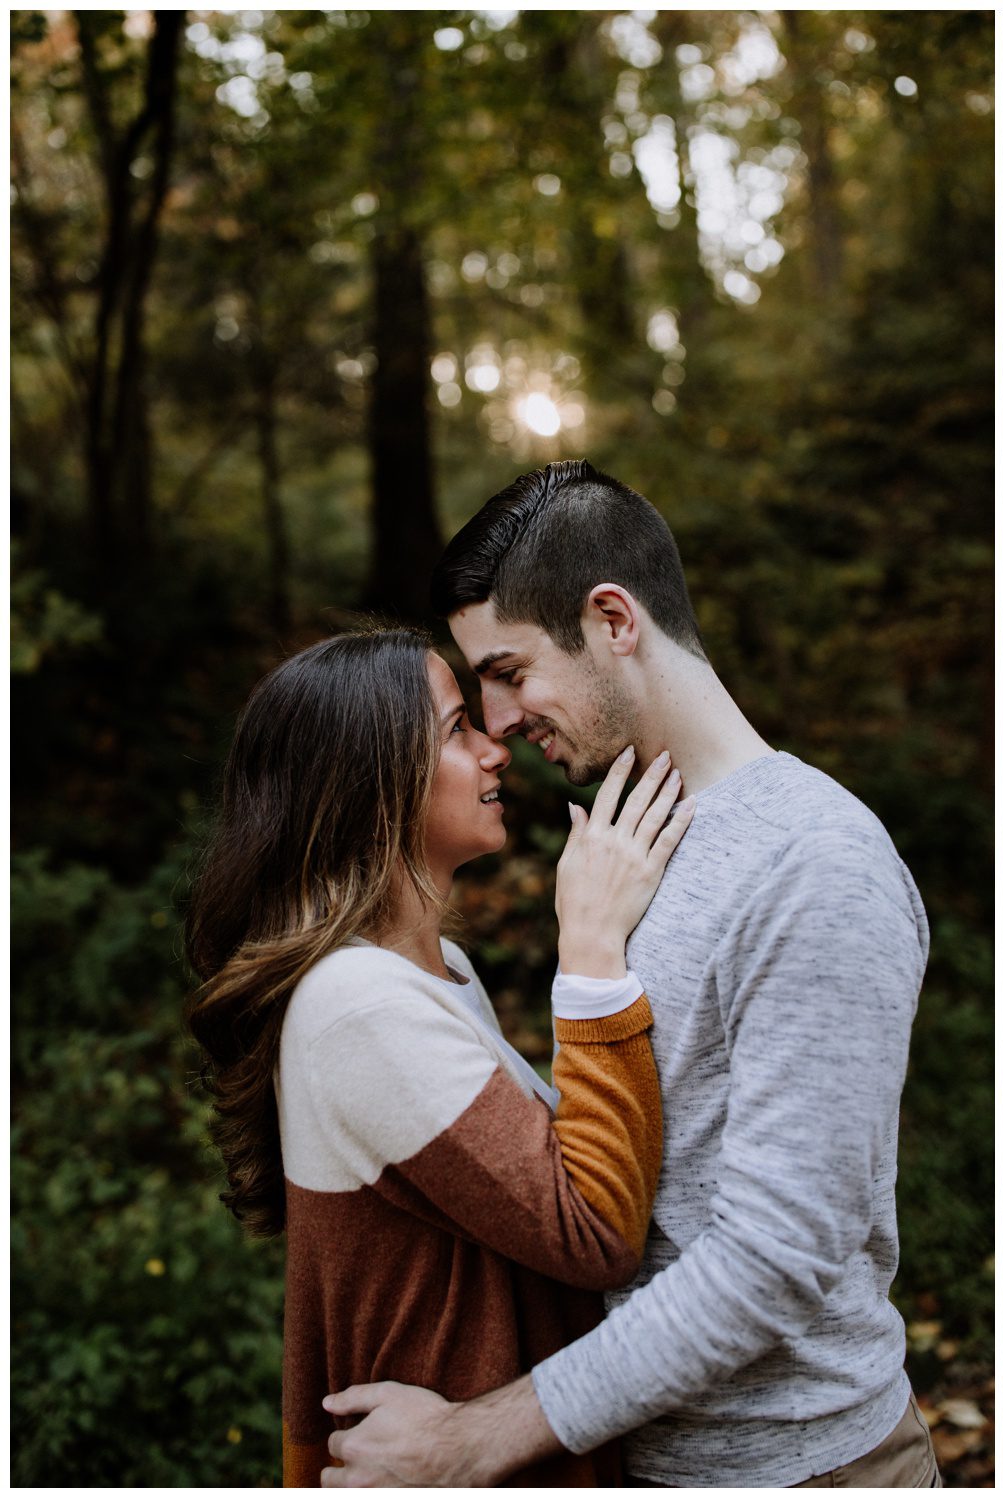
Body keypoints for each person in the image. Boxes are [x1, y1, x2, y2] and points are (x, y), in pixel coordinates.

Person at [317, 460, 940, 1487]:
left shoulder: (817, 862)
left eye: (509, 671)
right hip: (641, 1460)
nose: (500, 719)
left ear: (612, 620)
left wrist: (473, 1437)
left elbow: (774, 1260)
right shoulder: (631, 838)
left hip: (801, 1470)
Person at [184, 626, 693, 1485]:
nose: (495, 749)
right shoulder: (357, 1006)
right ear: (371, 784)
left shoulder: (432, 974)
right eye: (456, 729)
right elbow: (595, 1232)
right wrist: (592, 954)